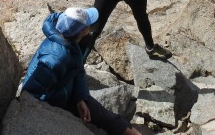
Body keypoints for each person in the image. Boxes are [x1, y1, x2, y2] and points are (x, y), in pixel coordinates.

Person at [21, 7, 141, 135]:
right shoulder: (55, 59)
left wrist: (80, 98)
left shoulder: (66, 36)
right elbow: (29, 93)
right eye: (89, 23)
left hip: (65, 88)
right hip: (54, 100)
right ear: (84, 30)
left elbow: (77, 71)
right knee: (106, 118)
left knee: (106, 117)